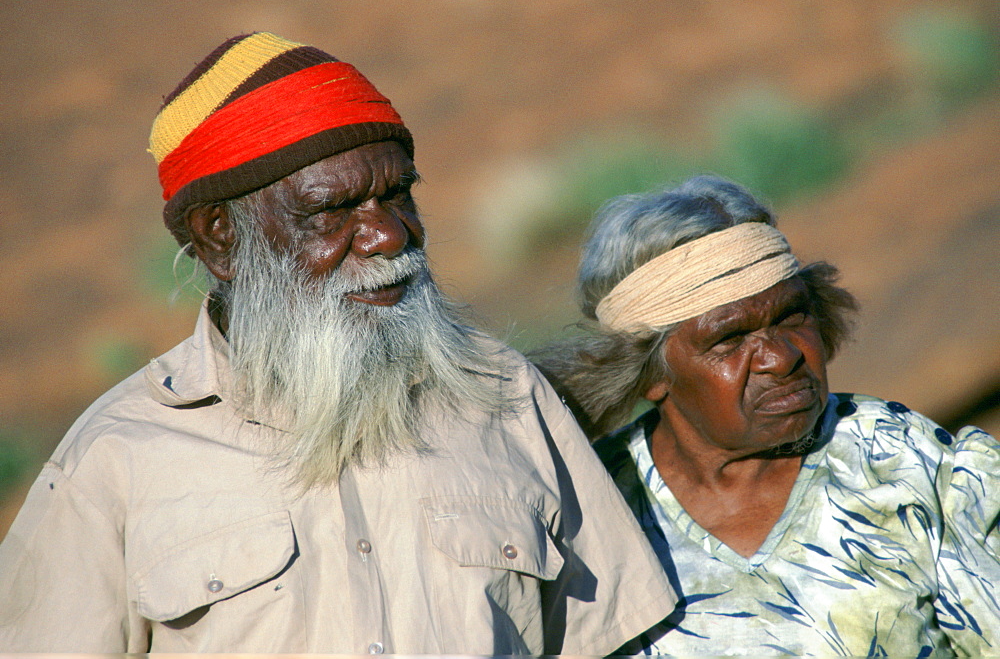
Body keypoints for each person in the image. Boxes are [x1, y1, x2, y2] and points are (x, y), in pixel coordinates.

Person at [0, 32, 676, 654]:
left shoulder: (501, 395)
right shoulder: (112, 463)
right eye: (331, 210)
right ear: (219, 239)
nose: (389, 236)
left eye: (398, 195)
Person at [533, 175, 1000, 656]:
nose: (781, 357)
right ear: (652, 374)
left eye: (792, 317)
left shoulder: (906, 463)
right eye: (729, 340)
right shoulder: (589, 517)